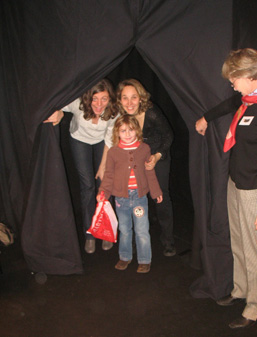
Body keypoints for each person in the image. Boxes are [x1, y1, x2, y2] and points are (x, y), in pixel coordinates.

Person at [195, 48, 257, 329]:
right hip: (236, 183)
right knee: (239, 244)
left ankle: (256, 310)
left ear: (249, 76)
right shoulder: (250, 99)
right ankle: (241, 291)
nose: (231, 83)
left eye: (233, 78)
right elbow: (228, 105)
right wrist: (206, 117)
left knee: (255, 252)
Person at [44, 79, 118, 254]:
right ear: (88, 98)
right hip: (79, 140)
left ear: (110, 99)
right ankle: (89, 234)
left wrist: (103, 167)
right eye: (95, 99)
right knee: (87, 186)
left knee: (105, 186)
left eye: (104, 99)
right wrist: (60, 114)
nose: (99, 104)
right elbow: (59, 104)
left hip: (103, 143)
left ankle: (107, 232)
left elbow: (110, 139)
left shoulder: (114, 112)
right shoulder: (78, 103)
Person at [116, 79, 176, 257]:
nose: (129, 103)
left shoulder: (151, 113)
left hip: (157, 156)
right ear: (119, 100)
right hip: (135, 160)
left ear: (141, 98)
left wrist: (157, 156)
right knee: (133, 198)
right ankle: (133, 240)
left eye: (133, 97)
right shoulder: (121, 116)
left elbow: (168, 135)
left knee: (160, 196)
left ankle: (168, 240)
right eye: (125, 98)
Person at [97, 114, 163, 273]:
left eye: (131, 129)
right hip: (121, 198)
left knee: (142, 230)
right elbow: (109, 175)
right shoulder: (113, 152)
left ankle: (145, 259)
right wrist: (103, 192)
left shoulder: (144, 149)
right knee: (125, 229)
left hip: (139, 197)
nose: (127, 133)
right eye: (123, 130)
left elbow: (149, 172)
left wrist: (156, 191)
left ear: (137, 130)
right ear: (117, 133)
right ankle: (125, 257)